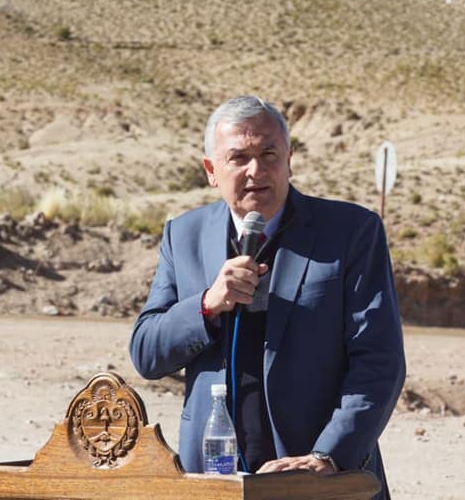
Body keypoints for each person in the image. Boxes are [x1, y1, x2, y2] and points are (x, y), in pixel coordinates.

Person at [129, 96, 405, 498]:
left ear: (289, 159)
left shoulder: (350, 232)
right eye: (238, 157)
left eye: (269, 154)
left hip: (316, 478)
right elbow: (147, 353)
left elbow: (379, 362)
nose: (256, 170)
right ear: (211, 170)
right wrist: (207, 304)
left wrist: (327, 456)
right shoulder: (183, 235)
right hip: (213, 477)